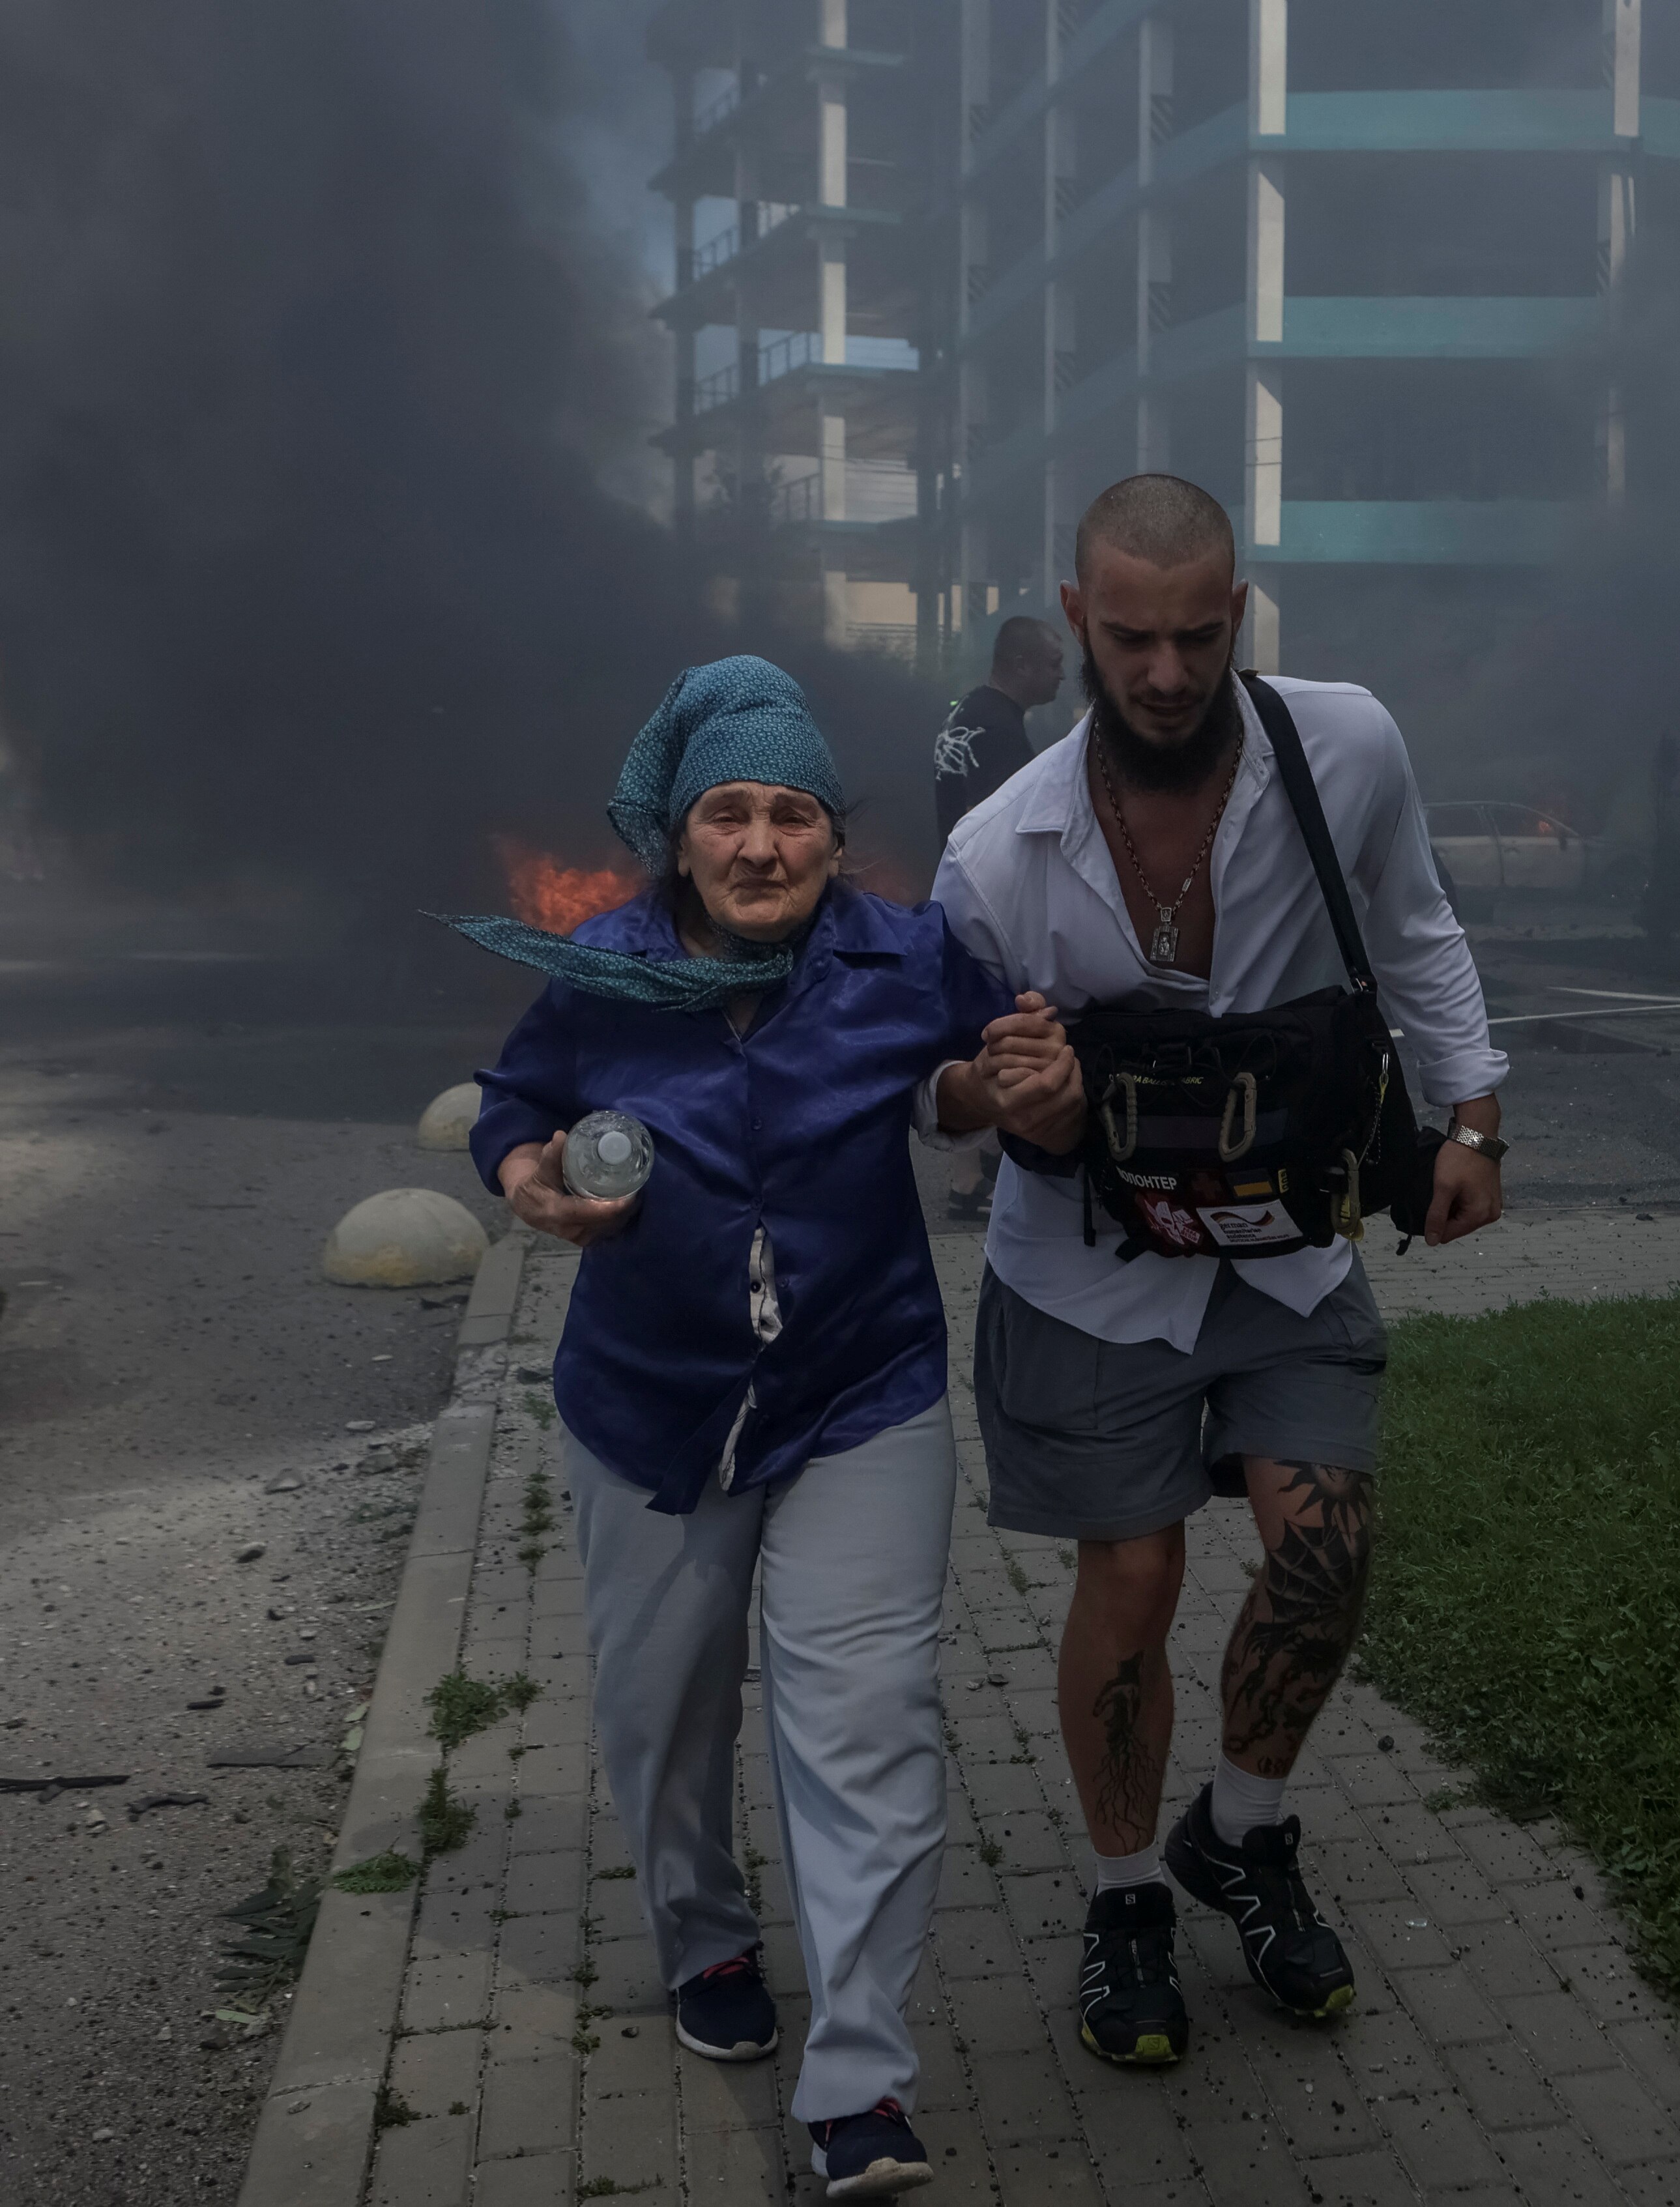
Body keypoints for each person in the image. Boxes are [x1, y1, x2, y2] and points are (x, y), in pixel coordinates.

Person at [456, 656, 1058, 2203]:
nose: (763, 841)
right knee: (668, 1711)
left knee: (867, 1722)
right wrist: (531, 1184)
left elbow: (981, 1079)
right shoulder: (602, 965)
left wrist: (1016, 1085)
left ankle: (860, 2079)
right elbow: (508, 1105)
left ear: (834, 838)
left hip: (860, 1389)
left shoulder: (903, 952)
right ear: (680, 833)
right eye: (730, 810)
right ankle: (705, 1925)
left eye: (795, 811)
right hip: (648, 1401)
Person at [933, 474, 1508, 2069]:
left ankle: (1241, 1830)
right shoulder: (996, 853)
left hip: (1287, 1246)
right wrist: (1004, 1095)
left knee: (1326, 1548)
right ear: (1075, 623)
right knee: (1132, 1579)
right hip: (1090, 1272)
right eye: (1131, 638)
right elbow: (941, 1077)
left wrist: (1477, 1114)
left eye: (1198, 634)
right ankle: (1125, 1893)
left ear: (1239, 609)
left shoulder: (1347, 746)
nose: (1168, 672)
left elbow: (1417, 925)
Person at [933, 616, 1071, 1221]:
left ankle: (968, 1177)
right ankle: (977, 1177)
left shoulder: (965, 714)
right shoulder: (1002, 734)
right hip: (994, 900)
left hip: (956, 892)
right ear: (1020, 665)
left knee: (973, 1025)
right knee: (999, 1030)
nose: (1062, 673)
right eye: (1051, 663)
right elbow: (1015, 828)